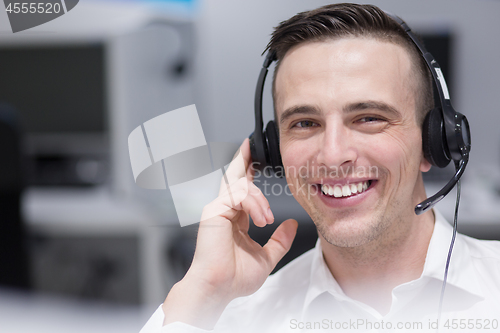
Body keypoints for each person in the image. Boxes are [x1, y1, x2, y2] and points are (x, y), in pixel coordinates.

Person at [141, 3, 500, 332]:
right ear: (272, 151)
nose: (332, 155)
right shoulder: (233, 318)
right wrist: (203, 291)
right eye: (304, 124)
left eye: (369, 118)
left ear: (433, 142)